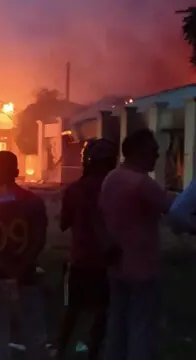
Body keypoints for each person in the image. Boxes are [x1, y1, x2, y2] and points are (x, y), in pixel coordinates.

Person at [99, 129, 172, 360]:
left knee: (118, 323)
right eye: (153, 150)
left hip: (116, 262)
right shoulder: (142, 183)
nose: (157, 155)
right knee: (142, 326)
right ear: (139, 152)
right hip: (142, 266)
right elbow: (174, 210)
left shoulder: (112, 178)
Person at [0, 151, 48, 360]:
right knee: (34, 333)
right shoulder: (32, 202)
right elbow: (39, 239)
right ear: (17, 171)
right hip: (27, 275)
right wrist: (21, 266)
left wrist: (1, 266)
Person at [56, 139, 118, 360]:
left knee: (73, 310)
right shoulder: (114, 189)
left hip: (80, 260)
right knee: (102, 311)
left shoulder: (75, 189)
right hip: (109, 261)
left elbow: (64, 223)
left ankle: (61, 352)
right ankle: (94, 353)